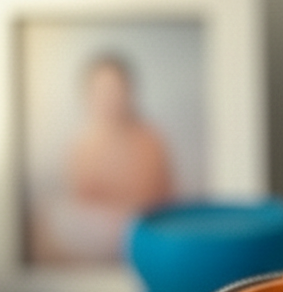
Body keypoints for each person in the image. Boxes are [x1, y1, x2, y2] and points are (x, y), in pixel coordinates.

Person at [29, 53, 174, 265]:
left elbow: (159, 200)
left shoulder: (150, 140)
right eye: (102, 91)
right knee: (51, 219)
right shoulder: (81, 145)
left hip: (143, 227)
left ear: (128, 92)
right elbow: (82, 202)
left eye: (115, 90)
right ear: (88, 95)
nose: (110, 98)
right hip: (99, 230)